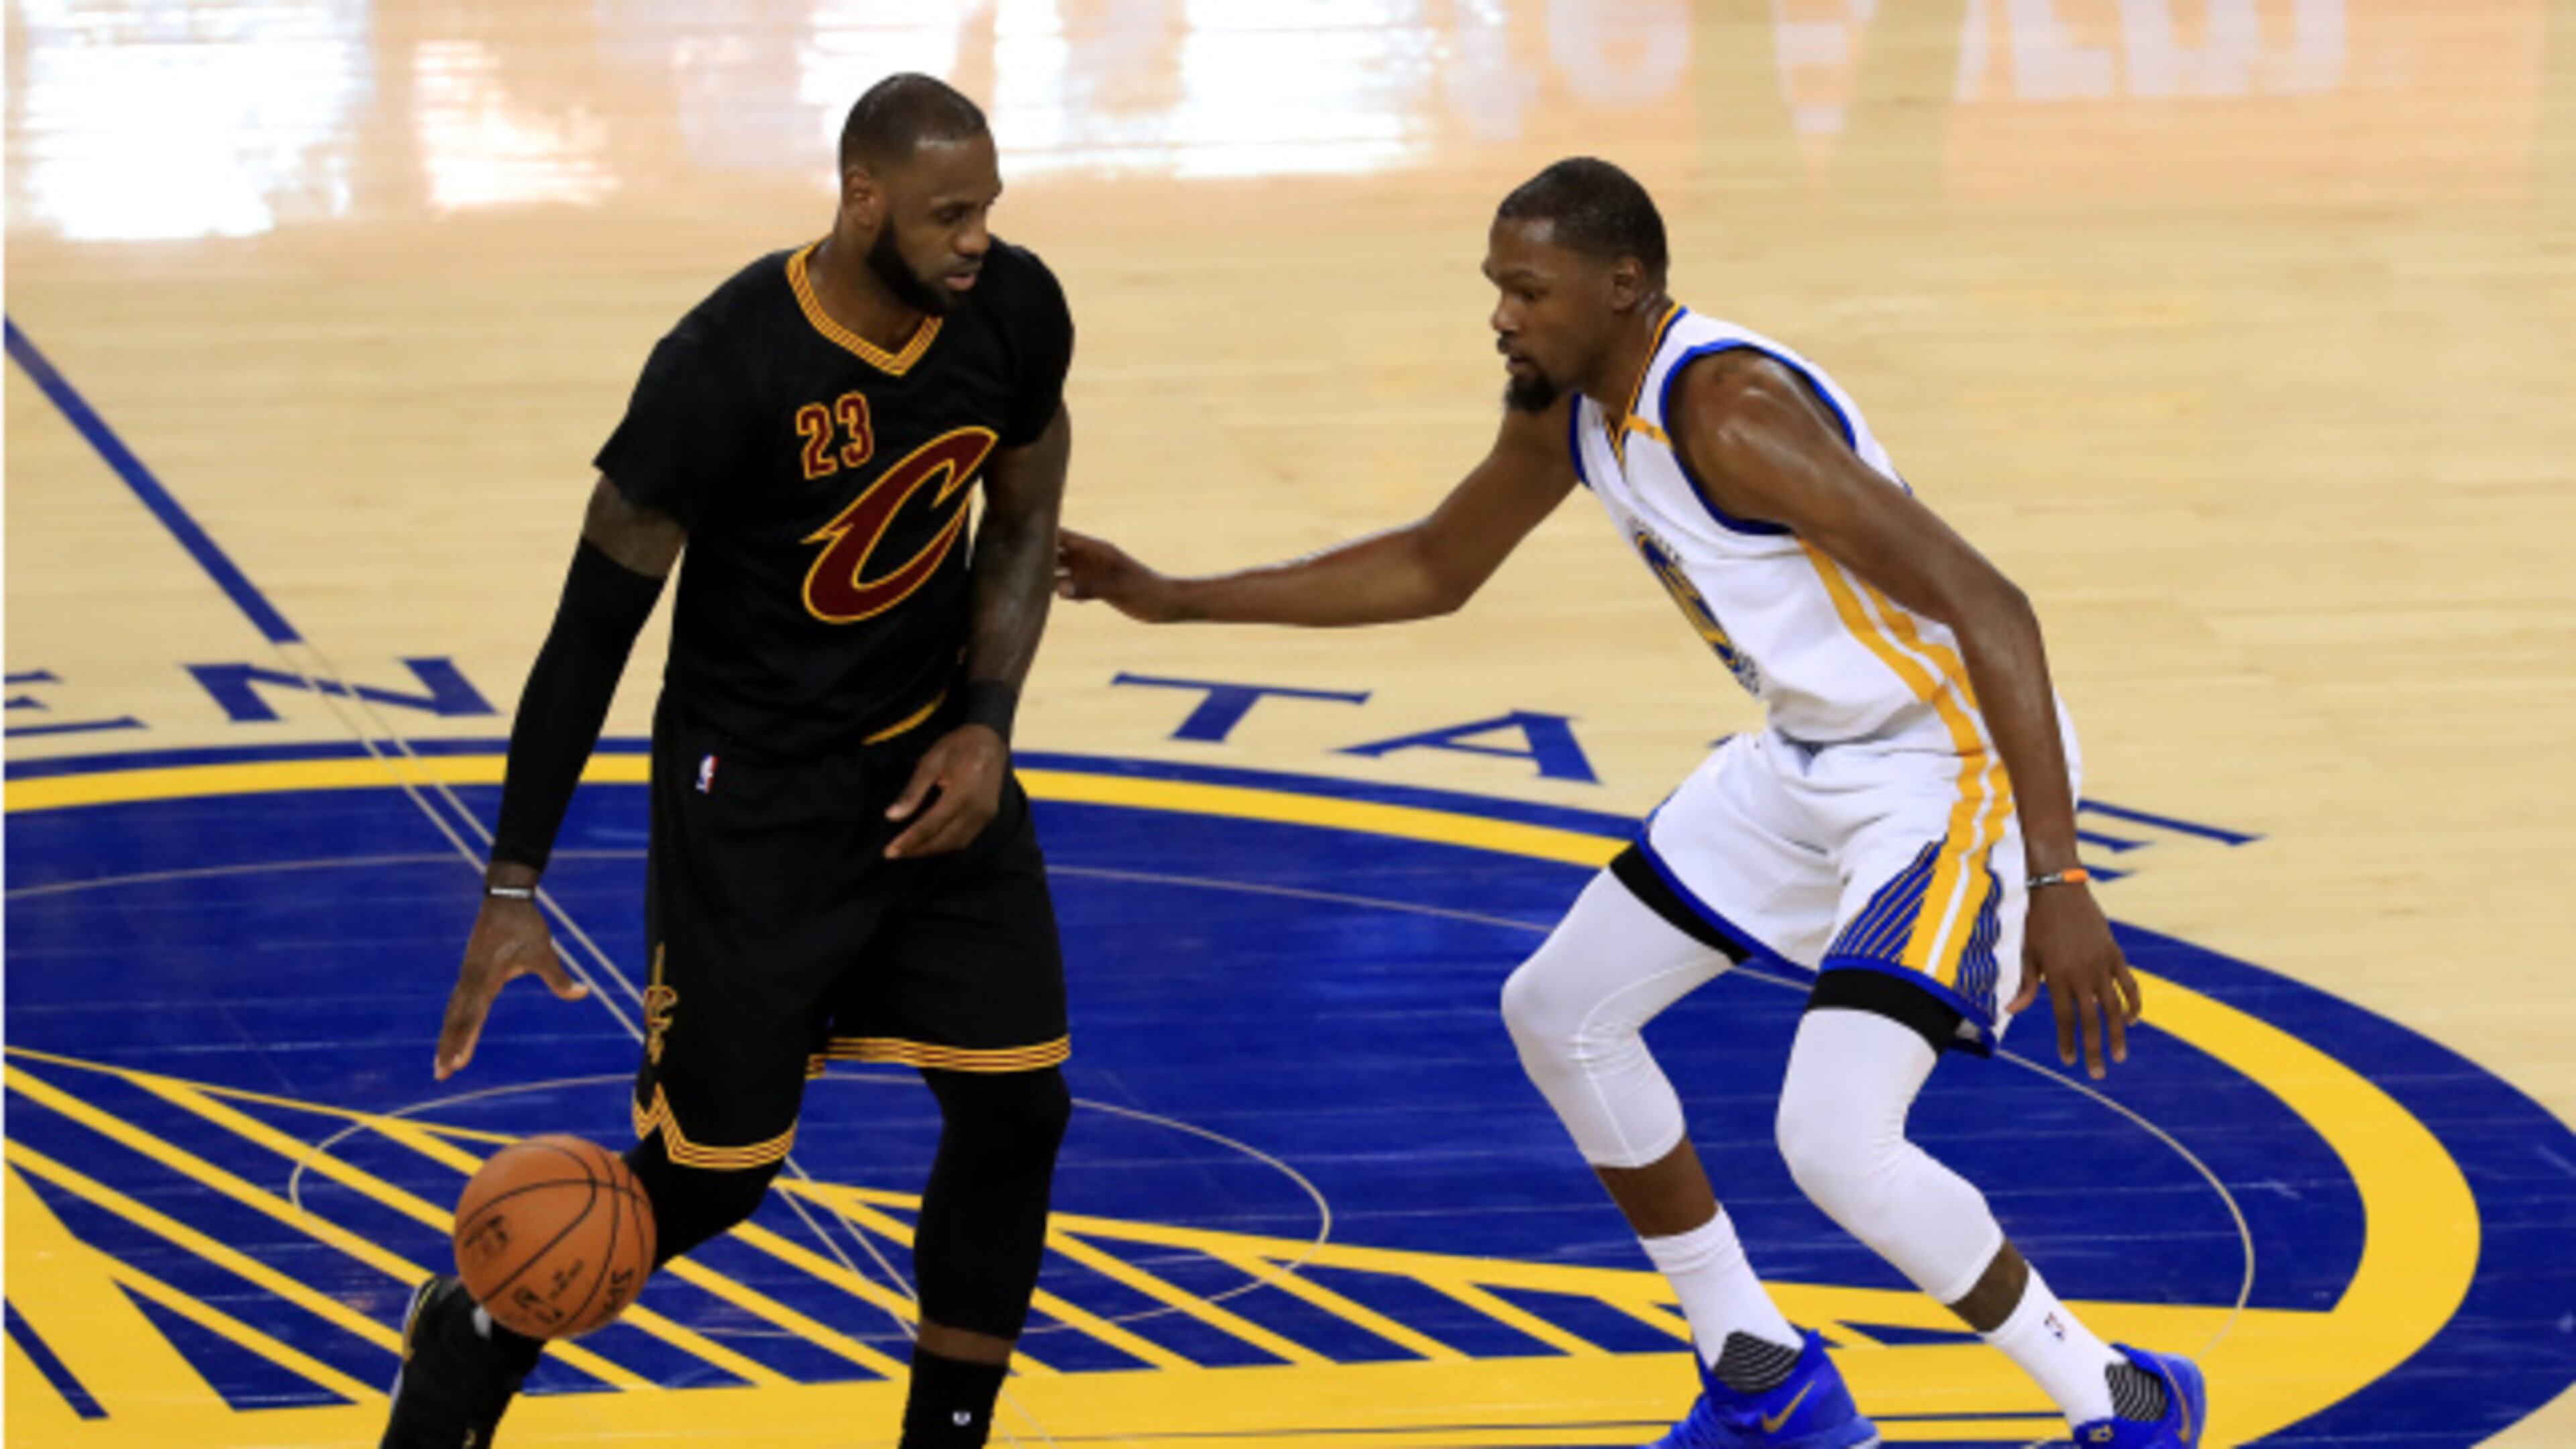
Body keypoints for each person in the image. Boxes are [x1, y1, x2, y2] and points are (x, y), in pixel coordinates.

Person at [1056, 156, 2205, 1449]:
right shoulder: (1572, 409)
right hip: (1805, 757)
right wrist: (1173, 596)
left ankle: (2120, 1397)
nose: (1502, 316)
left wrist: (2057, 876)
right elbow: (1438, 563)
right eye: (1496, 288)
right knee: (1558, 1010)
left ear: (1624, 286)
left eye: (1528, 291)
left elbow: (1994, 607)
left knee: (1832, 1142)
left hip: (1948, 771)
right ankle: (1765, 1372)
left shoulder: (1731, 414)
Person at [384, 73, 1077, 1449]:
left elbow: (1029, 501)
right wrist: (514, 883)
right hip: (755, 811)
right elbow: (588, 639)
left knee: (1018, 1112)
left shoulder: (1012, 312)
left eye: (988, 209)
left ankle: (948, 1436)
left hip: (936, 781)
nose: (975, 239)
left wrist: (987, 720)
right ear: (860, 197)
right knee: (716, 1179)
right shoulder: (722, 367)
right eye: (948, 214)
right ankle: (473, 1338)